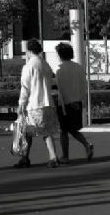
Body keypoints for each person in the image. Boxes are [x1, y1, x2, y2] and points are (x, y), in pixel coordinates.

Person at [15, 39, 61, 168]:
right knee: (46, 131)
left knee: (28, 132)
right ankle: (52, 157)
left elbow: (25, 88)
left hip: (34, 104)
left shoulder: (29, 66)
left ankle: (27, 158)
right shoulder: (46, 65)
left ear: (29, 51)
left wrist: (21, 104)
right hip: (48, 103)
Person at [53, 42, 94, 163]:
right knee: (73, 129)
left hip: (64, 104)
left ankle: (66, 156)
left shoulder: (59, 69)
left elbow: (59, 88)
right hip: (77, 102)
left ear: (60, 55)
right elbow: (84, 85)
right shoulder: (79, 67)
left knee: (64, 131)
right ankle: (86, 145)